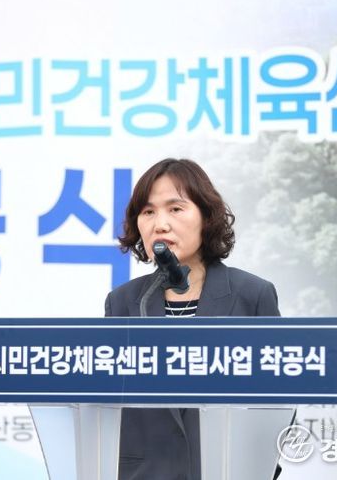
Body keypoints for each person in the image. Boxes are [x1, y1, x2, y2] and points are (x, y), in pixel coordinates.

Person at [104, 158, 281, 480]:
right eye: (148, 212)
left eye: (175, 209)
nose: (160, 224)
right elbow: (107, 404)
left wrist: (255, 466)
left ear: (206, 217)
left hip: (225, 470)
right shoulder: (123, 302)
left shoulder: (252, 295)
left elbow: (279, 404)